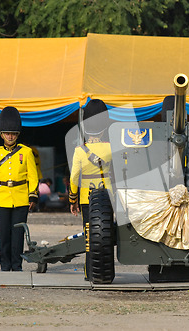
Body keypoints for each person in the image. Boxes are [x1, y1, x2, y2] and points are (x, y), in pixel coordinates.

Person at [0, 106, 39, 271]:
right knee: (4, 235)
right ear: (1, 134)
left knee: (18, 235)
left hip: (21, 198)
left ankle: (17, 265)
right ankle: (5, 265)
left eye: (13, 133)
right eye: (7, 133)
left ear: (17, 134)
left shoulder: (27, 152)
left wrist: (32, 195)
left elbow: (33, 176)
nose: (10, 136)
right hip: (0, 198)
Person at [69, 99, 112, 281]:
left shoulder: (80, 151)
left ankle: (90, 272)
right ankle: (106, 271)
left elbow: (73, 178)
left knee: (90, 236)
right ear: (103, 128)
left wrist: (73, 199)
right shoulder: (111, 148)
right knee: (106, 235)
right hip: (108, 197)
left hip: (87, 199)